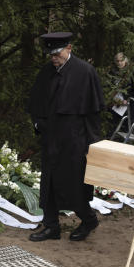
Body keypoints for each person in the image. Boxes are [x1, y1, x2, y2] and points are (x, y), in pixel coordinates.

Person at [27, 32, 105, 242]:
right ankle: (51, 226)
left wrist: (93, 144)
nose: (54, 58)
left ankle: (88, 220)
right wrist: (38, 123)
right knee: (49, 185)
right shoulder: (46, 72)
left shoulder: (85, 72)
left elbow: (93, 112)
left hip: (75, 141)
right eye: (50, 54)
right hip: (51, 138)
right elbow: (35, 102)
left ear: (69, 48)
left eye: (57, 53)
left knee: (75, 186)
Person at [106, 52, 134, 137]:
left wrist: (128, 99)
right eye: (117, 61)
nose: (119, 63)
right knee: (113, 130)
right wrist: (114, 100)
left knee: (126, 131)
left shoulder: (132, 72)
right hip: (115, 105)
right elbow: (109, 88)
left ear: (125, 60)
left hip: (128, 106)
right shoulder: (112, 72)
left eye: (121, 61)